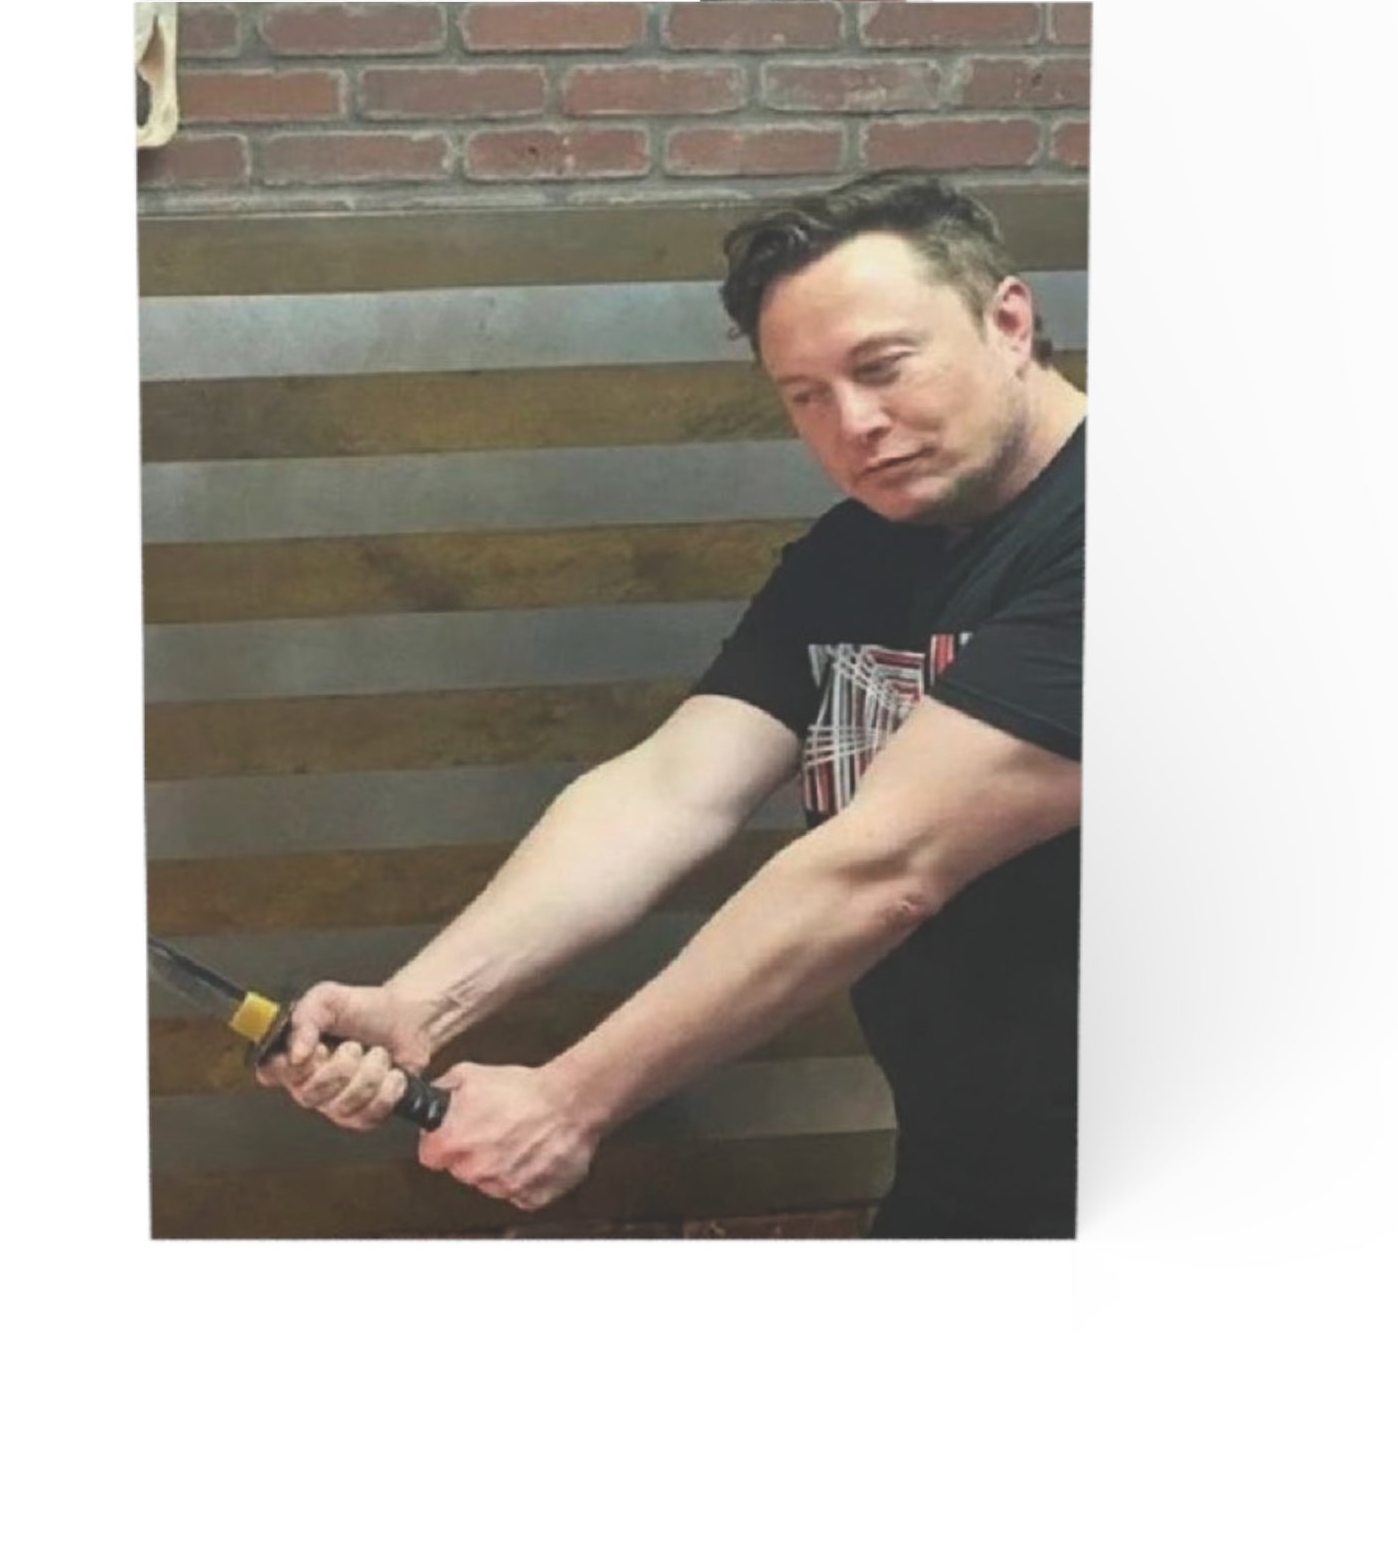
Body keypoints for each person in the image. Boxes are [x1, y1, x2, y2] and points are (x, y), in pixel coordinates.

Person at [256, 171, 1087, 1237]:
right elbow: (670, 788)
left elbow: (886, 867)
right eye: (805, 395)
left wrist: (570, 1098)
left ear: (1007, 321)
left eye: (883, 367)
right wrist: (425, 999)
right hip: (971, 1164)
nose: (855, 425)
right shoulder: (869, 545)